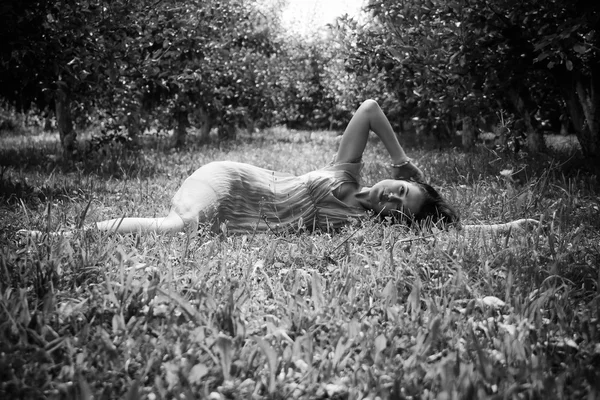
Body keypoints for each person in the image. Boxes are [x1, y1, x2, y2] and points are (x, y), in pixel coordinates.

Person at [20, 100, 537, 239]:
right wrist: (407, 163)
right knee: (180, 226)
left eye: (401, 205)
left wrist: (507, 226)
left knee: (188, 229)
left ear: (397, 220)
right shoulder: (348, 176)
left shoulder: (362, 222)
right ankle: (69, 232)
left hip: (238, 219)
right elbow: (370, 108)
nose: (393, 195)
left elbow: (443, 230)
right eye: (401, 188)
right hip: (227, 180)